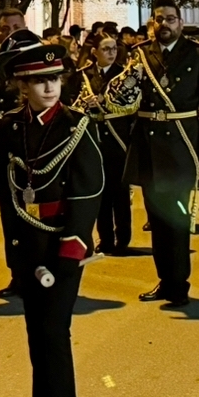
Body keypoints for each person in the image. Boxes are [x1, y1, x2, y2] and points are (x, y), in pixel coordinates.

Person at [0, 30, 103, 397]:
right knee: (37, 339)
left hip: (60, 251)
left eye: (55, 77)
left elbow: (90, 190)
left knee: (53, 339)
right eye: (40, 80)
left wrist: (74, 242)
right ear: (22, 85)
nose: (50, 86)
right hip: (25, 250)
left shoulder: (76, 127)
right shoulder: (12, 127)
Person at [106, 0, 199, 308]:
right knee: (157, 220)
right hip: (149, 146)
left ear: (180, 23)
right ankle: (164, 280)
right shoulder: (140, 54)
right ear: (151, 23)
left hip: (182, 146)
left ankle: (179, 283)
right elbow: (126, 97)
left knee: (179, 220)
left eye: (170, 19)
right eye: (158, 19)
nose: (164, 24)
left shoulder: (198, 55)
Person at [65, 33, 133, 255]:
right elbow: (70, 106)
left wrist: (108, 101)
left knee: (120, 193)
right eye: (106, 49)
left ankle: (123, 238)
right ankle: (105, 239)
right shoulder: (82, 76)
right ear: (94, 52)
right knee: (100, 193)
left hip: (118, 140)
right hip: (94, 140)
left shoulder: (124, 75)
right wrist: (85, 103)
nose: (112, 53)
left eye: (114, 48)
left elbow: (133, 106)